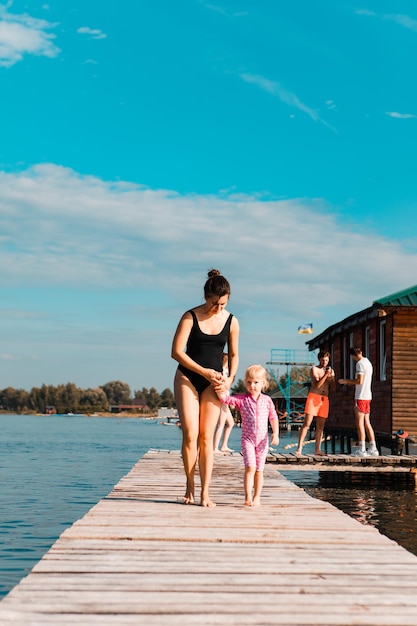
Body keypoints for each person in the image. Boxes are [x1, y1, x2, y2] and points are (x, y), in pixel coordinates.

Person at [171, 269, 239, 507]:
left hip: (215, 383)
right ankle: (190, 486)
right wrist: (205, 372)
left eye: (223, 303)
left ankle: (205, 493)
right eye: (214, 303)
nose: (218, 308)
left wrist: (229, 379)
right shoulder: (190, 316)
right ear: (205, 296)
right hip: (188, 377)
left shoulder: (232, 321)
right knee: (190, 434)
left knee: (206, 438)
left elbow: (235, 355)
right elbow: (176, 352)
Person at [216, 364, 279, 506]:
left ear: (263, 383)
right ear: (245, 383)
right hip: (248, 440)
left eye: (256, 382)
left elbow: (273, 417)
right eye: (249, 382)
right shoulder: (242, 399)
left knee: (259, 470)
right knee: (250, 467)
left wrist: (275, 433)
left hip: (263, 441)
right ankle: (247, 497)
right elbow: (226, 399)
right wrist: (219, 386)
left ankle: (257, 496)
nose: (252, 386)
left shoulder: (267, 400)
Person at [338, 347, 379, 457]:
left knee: (359, 423)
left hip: (360, 396)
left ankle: (362, 449)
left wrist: (345, 381)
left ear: (353, 356)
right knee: (367, 422)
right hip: (368, 396)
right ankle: (373, 448)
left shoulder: (360, 364)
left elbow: (359, 381)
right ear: (361, 352)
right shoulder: (368, 362)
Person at [295, 351, 336, 456]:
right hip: (314, 398)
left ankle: (317, 449)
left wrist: (331, 379)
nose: (324, 362)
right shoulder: (314, 369)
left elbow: (334, 388)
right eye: (323, 360)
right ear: (319, 359)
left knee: (320, 426)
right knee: (307, 424)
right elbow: (317, 385)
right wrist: (326, 375)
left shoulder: (330, 371)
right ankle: (299, 448)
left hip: (324, 399)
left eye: (326, 360)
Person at [213, 353, 235, 453]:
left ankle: (224, 445)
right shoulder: (222, 372)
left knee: (230, 423)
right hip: (223, 400)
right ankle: (215, 448)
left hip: (226, 400)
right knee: (221, 424)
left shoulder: (225, 371)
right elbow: (223, 387)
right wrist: (228, 400)